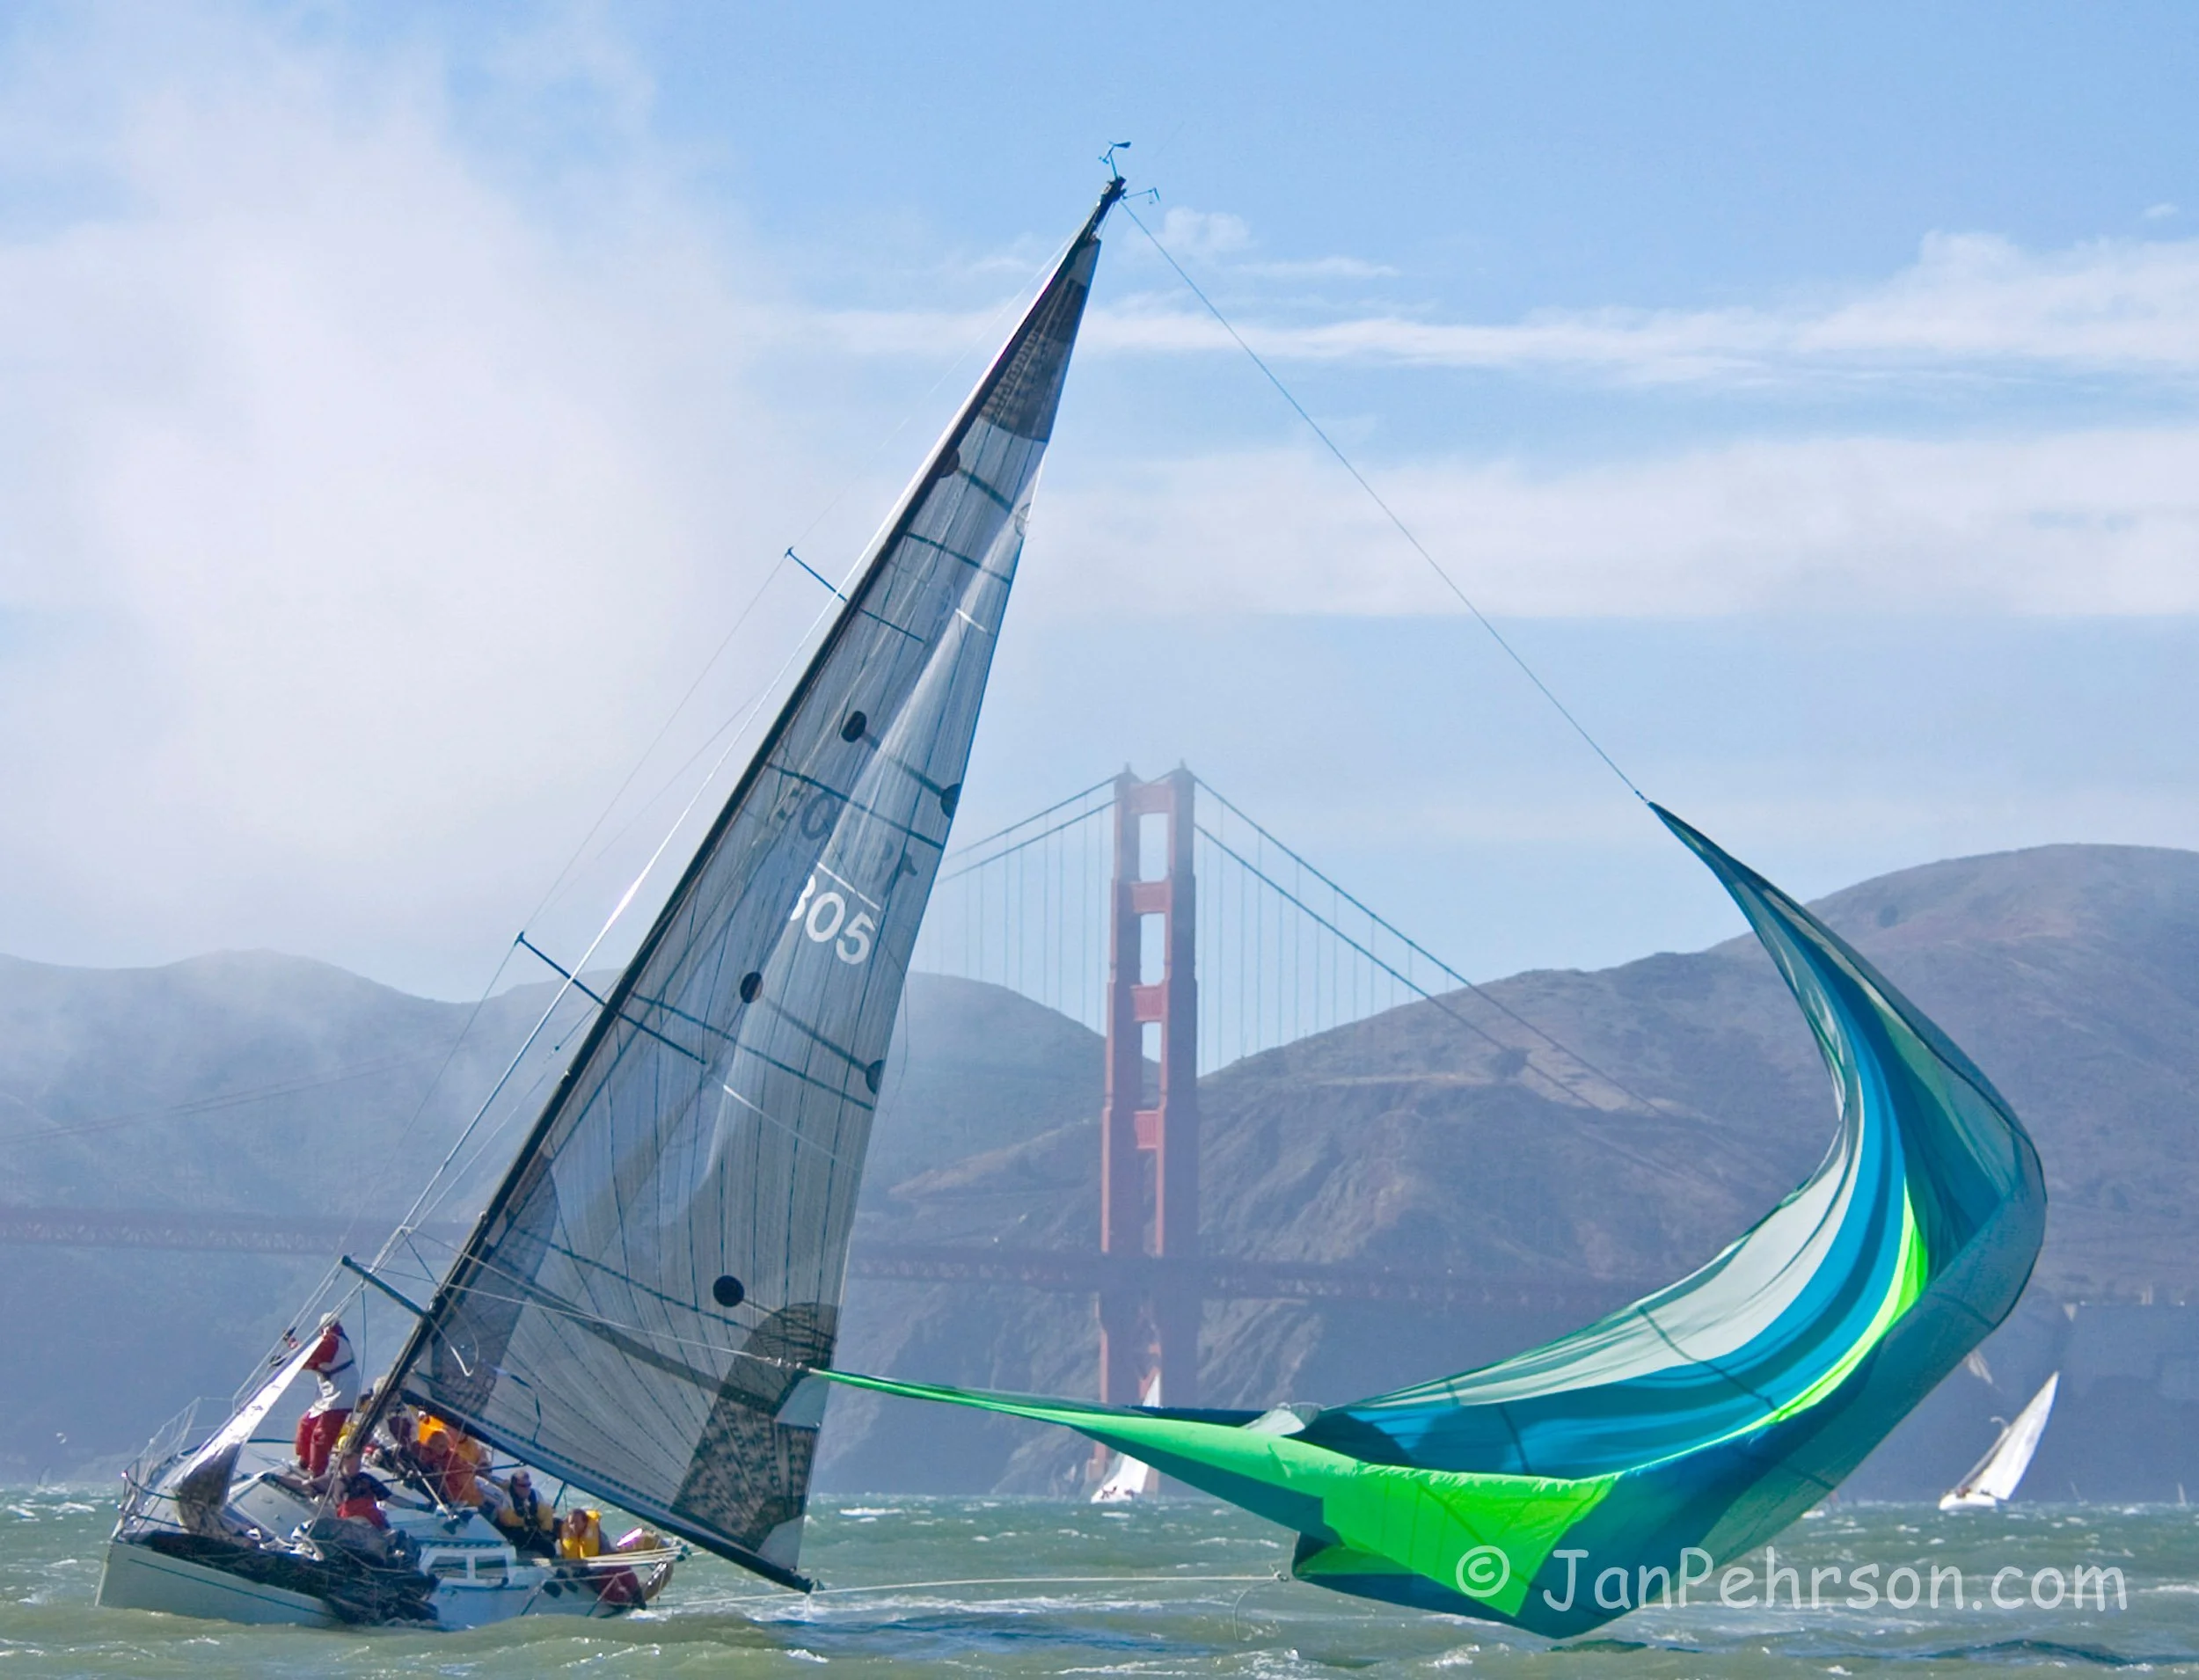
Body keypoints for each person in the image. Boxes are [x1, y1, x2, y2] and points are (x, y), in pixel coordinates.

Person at [292, 1317, 360, 1479]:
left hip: (341, 1395)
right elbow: (310, 1358)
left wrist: (292, 1350)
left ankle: (316, 1473)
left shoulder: (333, 1342)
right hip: (329, 1395)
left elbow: (310, 1356)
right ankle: (304, 1462)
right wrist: (293, 1346)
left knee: (321, 1434)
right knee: (306, 1422)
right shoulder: (334, 1342)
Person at [490, 1468, 558, 1557]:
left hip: (530, 1533)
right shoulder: (505, 1496)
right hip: (509, 1534)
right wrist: (521, 1519)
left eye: (529, 1485)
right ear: (514, 1485)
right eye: (523, 1486)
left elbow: (546, 1514)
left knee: (549, 1549)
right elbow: (503, 1518)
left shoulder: (535, 1494)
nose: (527, 1488)